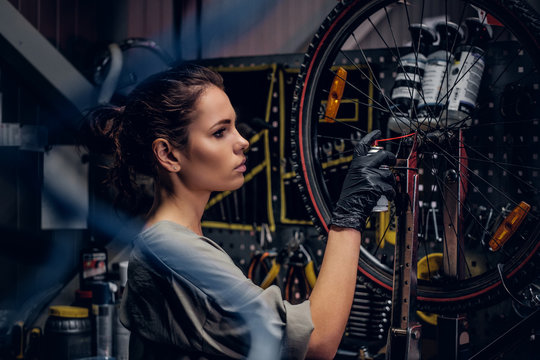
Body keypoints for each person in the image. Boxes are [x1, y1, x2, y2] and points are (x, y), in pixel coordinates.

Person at [84, 63, 396, 360]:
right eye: (220, 132)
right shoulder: (172, 251)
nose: (244, 141)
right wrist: (349, 217)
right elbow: (317, 342)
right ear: (168, 153)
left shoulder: (170, 241)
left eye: (235, 127)